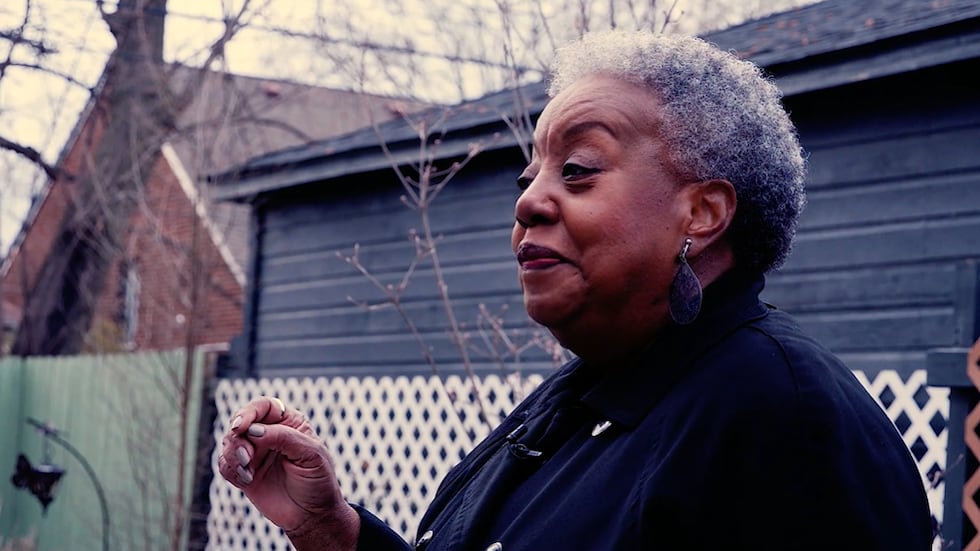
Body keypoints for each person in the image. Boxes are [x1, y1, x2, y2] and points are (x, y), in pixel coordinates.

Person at [218, 30, 934, 550]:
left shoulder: (783, 422)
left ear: (703, 213)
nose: (529, 200)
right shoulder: (581, 399)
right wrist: (330, 529)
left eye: (580, 168)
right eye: (529, 174)